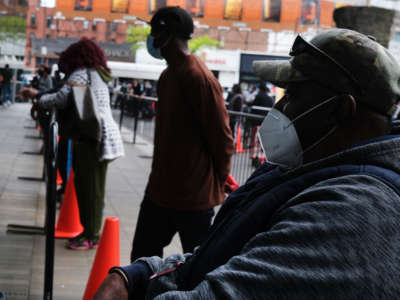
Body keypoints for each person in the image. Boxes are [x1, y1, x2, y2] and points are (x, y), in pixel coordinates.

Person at [95, 28, 400, 299]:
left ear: (342, 111)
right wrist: (137, 275)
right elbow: (219, 256)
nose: (279, 107)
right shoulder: (299, 167)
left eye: (292, 95)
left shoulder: (355, 210)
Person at [129, 6, 234, 262]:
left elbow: (222, 139)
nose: (151, 38)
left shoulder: (199, 78)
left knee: (198, 271)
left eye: (155, 32)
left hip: (194, 199)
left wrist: (217, 182)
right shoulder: (167, 77)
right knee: (141, 261)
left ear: (169, 35)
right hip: (159, 192)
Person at [20, 38, 124, 250]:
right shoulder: (96, 73)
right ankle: (90, 232)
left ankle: (91, 235)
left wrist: (38, 99)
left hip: (92, 138)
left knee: (90, 188)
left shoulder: (82, 73)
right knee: (91, 187)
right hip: (99, 137)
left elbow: (61, 97)